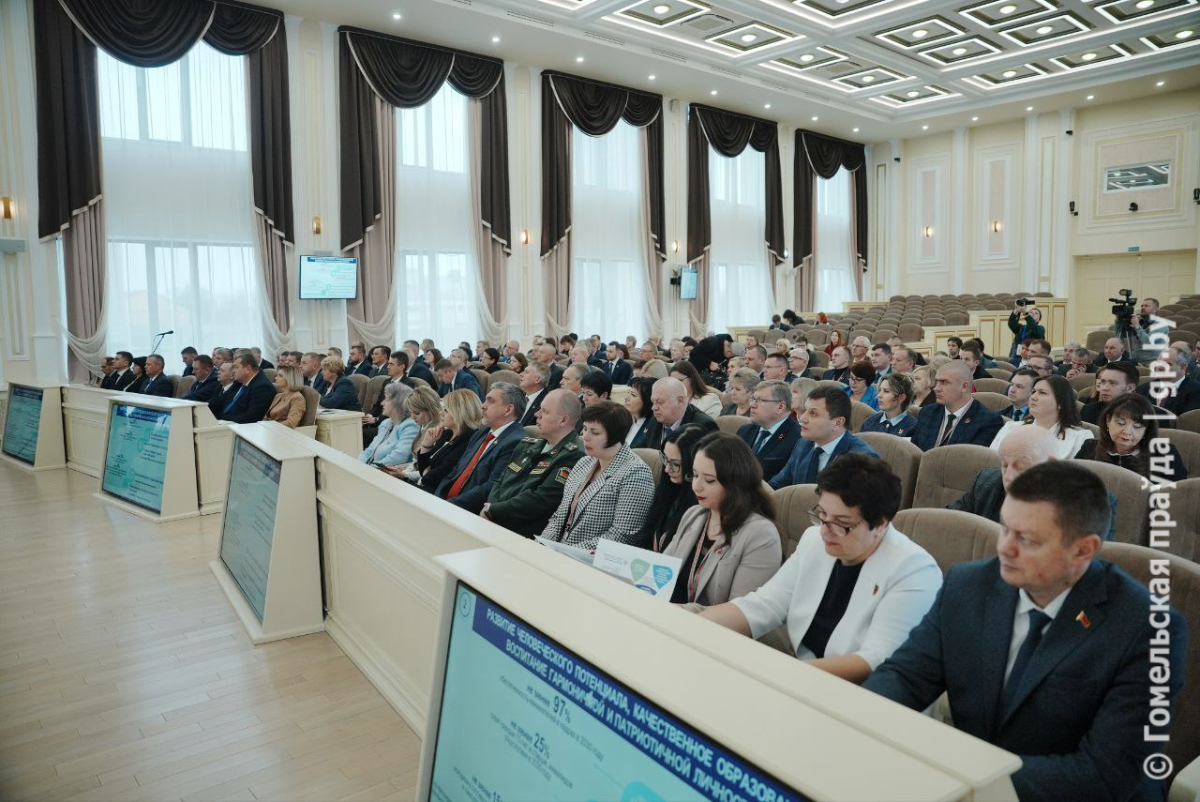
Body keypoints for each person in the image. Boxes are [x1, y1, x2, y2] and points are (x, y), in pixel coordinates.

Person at [863, 461, 1186, 802]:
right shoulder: (967, 585)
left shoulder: (1150, 630)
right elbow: (905, 677)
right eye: (1005, 528)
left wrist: (960, 773)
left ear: (1083, 550)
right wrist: (860, 722)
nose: (1004, 547)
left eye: (1027, 539)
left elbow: (1104, 774)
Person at [701, 453, 941, 683]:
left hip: (862, 692)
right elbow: (765, 605)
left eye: (841, 523)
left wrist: (783, 674)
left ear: (880, 523)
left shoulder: (914, 570)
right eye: (822, 515)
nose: (825, 531)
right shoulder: (814, 540)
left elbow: (876, 660)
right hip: (803, 671)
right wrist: (694, 624)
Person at [663, 433, 782, 609]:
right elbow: (660, 573)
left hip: (707, 624)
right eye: (695, 475)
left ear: (735, 482)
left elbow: (739, 612)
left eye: (709, 480)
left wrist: (673, 611)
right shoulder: (694, 515)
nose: (696, 486)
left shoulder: (760, 534)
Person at [950, 424, 1117, 539]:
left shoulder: (1091, 504)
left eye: (1021, 467)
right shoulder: (986, 482)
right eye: (1004, 465)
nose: (1008, 476)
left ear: (1050, 464)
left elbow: (1089, 564)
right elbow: (949, 525)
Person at [540, 402, 655, 550]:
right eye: (585, 429)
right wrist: (542, 546)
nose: (585, 437)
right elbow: (559, 516)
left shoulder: (636, 473)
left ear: (615, 436)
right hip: (558, 550)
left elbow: (622, 536)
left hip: (589, 557)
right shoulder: (584, 462)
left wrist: (567, 552)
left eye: (595, 433)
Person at [482, 390, 584, 537]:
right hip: (493, 519)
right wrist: (490, 509)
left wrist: (493, 510)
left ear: (563, 420)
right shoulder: (526, 445)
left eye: (545, 411)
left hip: (521, 534)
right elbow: (500, 481)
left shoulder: (574, 456)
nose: (537, 414)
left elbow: (541, 501)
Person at [435, 383, 526, 513]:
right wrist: (438, 498)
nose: (483, 406)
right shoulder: (481, 433)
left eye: (491, 401)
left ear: (508, 409)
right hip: (447, 504)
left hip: (469, 512)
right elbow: (456, 471)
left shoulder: (516, 441)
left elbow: (491, 487)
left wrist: (449, 506)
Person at [769, 386, 879, 490]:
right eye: (805, 410)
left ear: (838, 423)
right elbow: (776, 485)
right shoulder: (803, 444)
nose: (802, 418)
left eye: (813, 413)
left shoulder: (862, 459)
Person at [1074, 393, 1188, 483]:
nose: (1127, 432)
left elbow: (1175, 497)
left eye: (1137, 426)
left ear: (1147, 429)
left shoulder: (1165, 454)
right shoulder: (1090, 447)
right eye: (1120, 423)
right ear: (1108, 420)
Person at [640, 424, 708, 552]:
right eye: (665, 459)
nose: (667, 469)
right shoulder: (668, 487)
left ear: (694, 464)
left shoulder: (702, 502)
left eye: (675, 464)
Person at [910, 361, 1005, 451]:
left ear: (964, 387)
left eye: (944, 382)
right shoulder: (928, 412)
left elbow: (974, 460)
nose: (936, 388)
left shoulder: (988, 421)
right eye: (937, 382)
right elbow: (915, 452)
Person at [991, 375, 1092, 459]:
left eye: (1042, 393)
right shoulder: (1011, 428)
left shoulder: (1080, 437)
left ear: (1060, 403)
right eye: (1033, 392)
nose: (1033, 397)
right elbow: (993, 463)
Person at [412, 389, 482, 491]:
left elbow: (434, 477)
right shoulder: (446, 434)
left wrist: (426, 473)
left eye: (446, 410)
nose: (441, 413)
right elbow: (422, 469)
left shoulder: (469, 441)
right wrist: (427, 444)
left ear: (460, 413)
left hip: (438, 494)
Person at [736, 380, 801, 483]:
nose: (752, 405)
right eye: (753, 399)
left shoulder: (798, 438)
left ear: (780, 407)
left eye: (760, 400)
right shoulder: (745, 430)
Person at [641, 377, 717, 449]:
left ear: (680, 400)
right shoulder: (657, 418)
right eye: (653, 402)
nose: (654, 407)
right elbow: (641, 449)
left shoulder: (703, 425)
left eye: (660, 402)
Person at [359, 382, 419, 469]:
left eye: (386, 400)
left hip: (385, 472)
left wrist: (371, 468)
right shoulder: (386, 423)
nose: (382, 403)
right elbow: (369, 450)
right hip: (371, 469)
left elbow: (399, 456)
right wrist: (358, 464)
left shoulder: (410, 426)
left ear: (397, 404)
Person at [1137, 345, 1200, 415]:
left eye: (1167, 364)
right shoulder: (1142, 389)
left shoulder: (1196, 391)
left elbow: (1186, 420)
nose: (1160, 367)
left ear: (1182, 367)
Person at [218, 354, 275, 424]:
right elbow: (221, 399)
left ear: (248, 369)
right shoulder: (240, 382)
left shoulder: (262, 387)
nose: (233, 371)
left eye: (236, 367)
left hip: (242, 426)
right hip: (228, 421)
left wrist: (224, 418)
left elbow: (251, 417)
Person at [1133, 297, 1170, 364]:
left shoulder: (1161, 324)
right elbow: (1120, 335)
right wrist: (1119, 320)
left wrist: (1137, 326)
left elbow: (1149, 341)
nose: (1143, 308)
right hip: (1136, 361)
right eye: (1142, 306)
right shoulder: (1140, 322)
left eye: (1146, 306)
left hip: (1152, 363)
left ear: (1155, 309)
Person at [623, 376, 655, 449]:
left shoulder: (652, 426)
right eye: (628, 393)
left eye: (633, 395)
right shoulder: (623, 419)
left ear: (647, 400)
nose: (626, 398)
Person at [518, 362, 551, 427]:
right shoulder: (518, 396)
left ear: (537, 379)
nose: (521, 374)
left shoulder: (547, 402)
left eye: (526, 372)